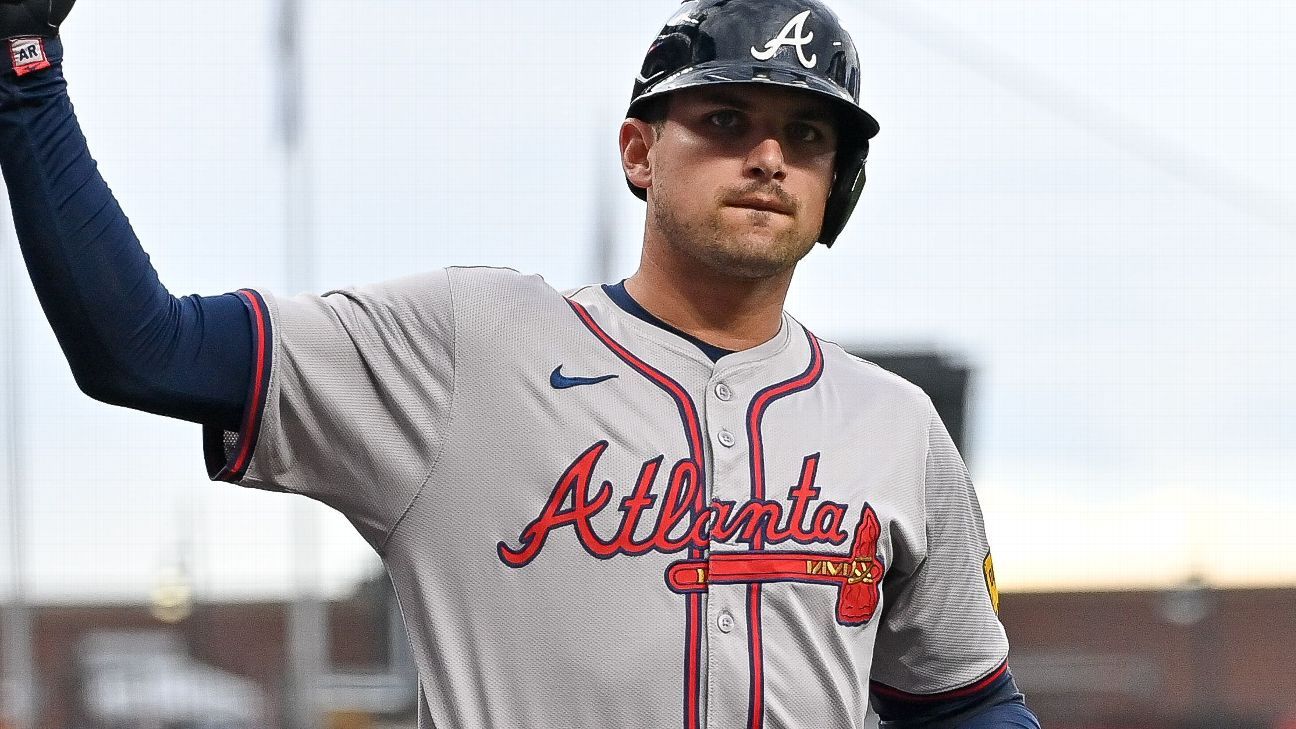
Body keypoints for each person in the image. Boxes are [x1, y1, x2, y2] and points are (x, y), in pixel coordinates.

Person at [0, 0, 1042, 727]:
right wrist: (26, 73)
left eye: (806, 135)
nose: (768, 157)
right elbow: (144, 349)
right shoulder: (472, 346)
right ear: (639, 152)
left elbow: (965, 701)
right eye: (726, 120)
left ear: (835, 186)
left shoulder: (895, 428)